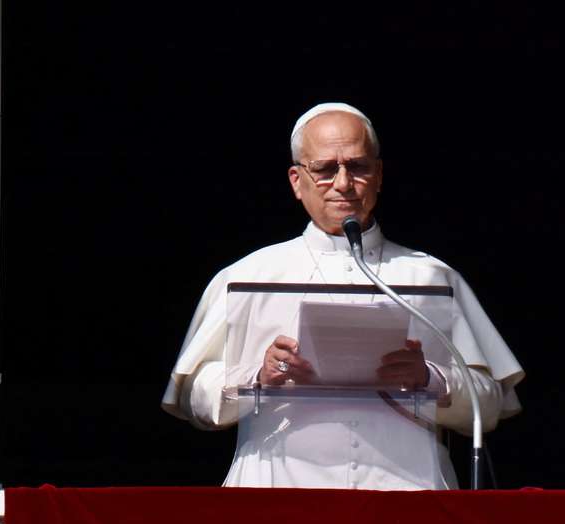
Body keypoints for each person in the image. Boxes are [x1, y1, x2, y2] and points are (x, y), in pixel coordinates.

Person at [162, 102, 523, 490]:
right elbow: (194, 398)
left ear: (379, 175)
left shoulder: (432, 276)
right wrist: (258, 377)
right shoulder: (248, 275)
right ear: (296, 180)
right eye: (324, 169)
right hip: (277, 493)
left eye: (358, 167)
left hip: (408, 496)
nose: (344, 183)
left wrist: (430, 378)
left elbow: (490, 404)